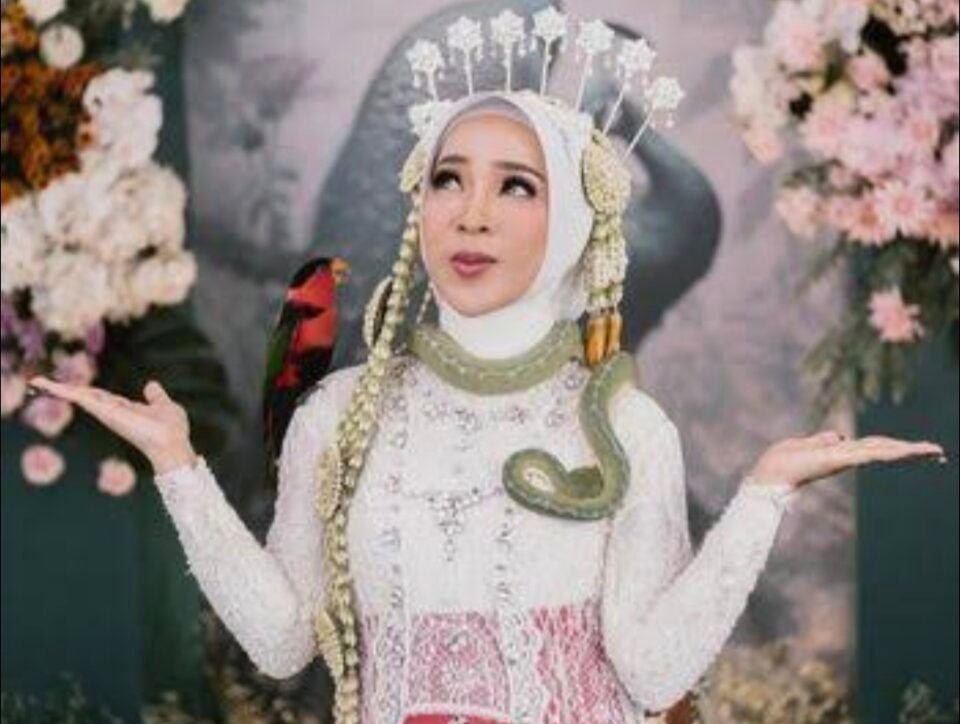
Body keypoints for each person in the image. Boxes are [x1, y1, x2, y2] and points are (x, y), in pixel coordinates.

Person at [28, 11, 945, 724]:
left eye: (516, 185)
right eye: (448, 178)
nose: (472, 214)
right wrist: (179, 468)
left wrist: (762, 496)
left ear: (571, 223)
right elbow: (280, 644)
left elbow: (653, 670)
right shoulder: (341, 413)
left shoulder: (625, 426)